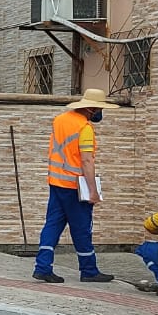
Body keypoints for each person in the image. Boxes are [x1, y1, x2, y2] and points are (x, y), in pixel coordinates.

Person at [33, 86, 118, 285]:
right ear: (91, 109)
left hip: (56, 182)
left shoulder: (60, 120)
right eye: (99, 109)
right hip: (74, 186)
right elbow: (86, 161)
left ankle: (42, 267)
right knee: (82, 228)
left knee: (52, 225)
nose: (100, 113)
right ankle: (89, 270)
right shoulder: (85, 128)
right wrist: (94, 192)